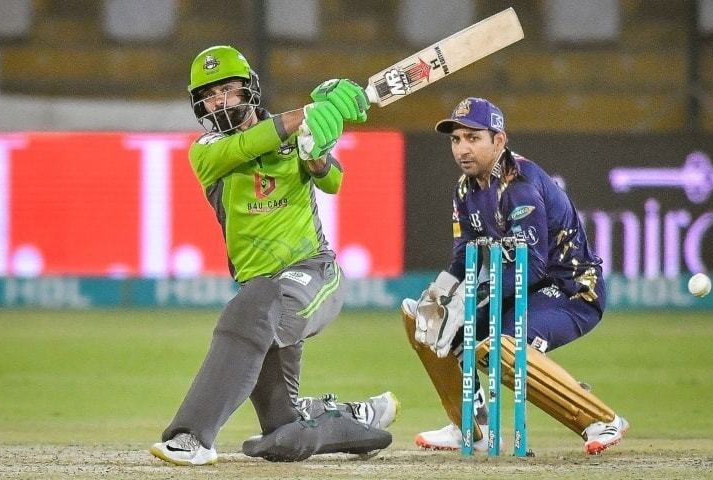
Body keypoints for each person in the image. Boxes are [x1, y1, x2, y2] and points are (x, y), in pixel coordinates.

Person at [150, 45, 399, 466]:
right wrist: (310, 113)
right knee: (283, 432)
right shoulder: (206, 151)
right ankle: (345, 417)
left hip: (313, 273)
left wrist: (315, 151)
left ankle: (192, 437)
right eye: (210, 96)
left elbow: (333, 181)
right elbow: (252, 143)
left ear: (250, 89)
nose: (220, 102)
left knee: (254, 304)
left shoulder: (293, 136)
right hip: (260, 298)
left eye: (229, 90)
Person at [401, 97, 629, 455]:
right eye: (456, 139)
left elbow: (533, 266)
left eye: (473, 138)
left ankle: (600, 419)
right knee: (446, 327)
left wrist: (472, 299)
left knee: (506, 348)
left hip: (572, 291)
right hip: (526, 287)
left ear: (499, 140)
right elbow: (465, 255)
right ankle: (473, 428)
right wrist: (442, 294)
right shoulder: (465, 189)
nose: (462, 148)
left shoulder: (520, 185)